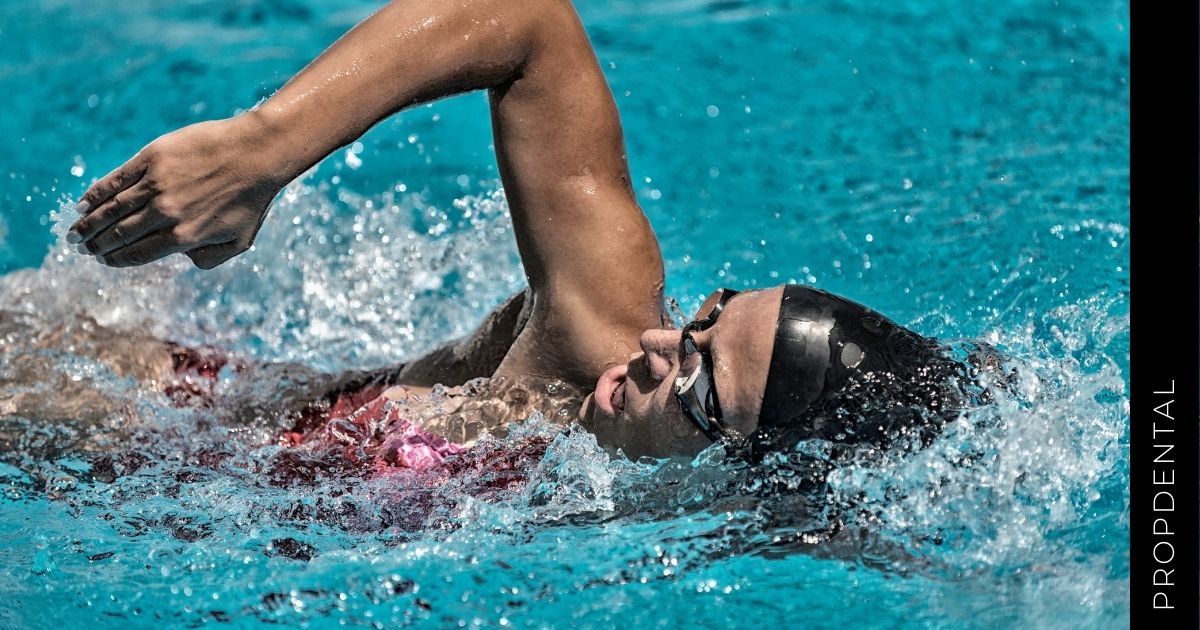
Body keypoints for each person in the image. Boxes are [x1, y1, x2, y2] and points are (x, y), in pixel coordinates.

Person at [61, 0, 993, 464]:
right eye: (705, 319)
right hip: (134, 418)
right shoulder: (597, 339)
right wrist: (260, 151)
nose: (662, 343)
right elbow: (530, 24)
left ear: (743, 468)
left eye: (702, 381)